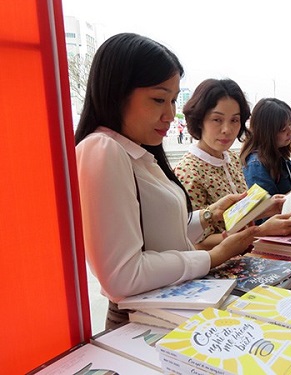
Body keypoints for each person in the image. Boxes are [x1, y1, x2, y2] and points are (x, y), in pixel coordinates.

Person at [74, 33, 259, 329]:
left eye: (173, 100)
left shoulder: (136, 153)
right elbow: (123, 275)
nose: (169, 114)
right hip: (141, 320)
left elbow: (160, 232)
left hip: (173, 305)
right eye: (159, 99)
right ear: (116, 92)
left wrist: (211, 213)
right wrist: (213, 256)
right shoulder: (103, 149)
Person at [174, 79, 291, 250]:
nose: (227, 129)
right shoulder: (187, 172)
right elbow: (196, 242)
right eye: (217, 120)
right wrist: (261, 231)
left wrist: (266, 209)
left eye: (234, 120)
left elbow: (234, 216)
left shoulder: (231, 159)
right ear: (199, 120)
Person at [240, 98, 291, 198]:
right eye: (283, 129)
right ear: (267, 132)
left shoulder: (280, 155)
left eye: (290, 125)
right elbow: (269, 207)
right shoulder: (256, 165)